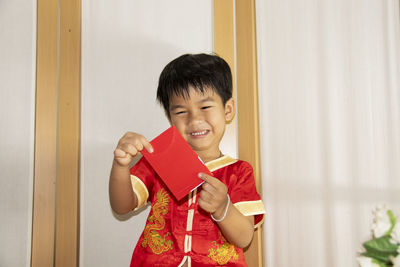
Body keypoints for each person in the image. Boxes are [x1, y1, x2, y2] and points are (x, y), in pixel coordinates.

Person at [109, 53, 265, 267]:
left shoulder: (239, 172)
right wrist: (121, 165)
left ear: (228, 110)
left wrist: (222, 208)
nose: (195, 119)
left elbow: (245, 237)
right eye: (181, 111)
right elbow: (122, 205)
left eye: (205, 107)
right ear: (169, 117)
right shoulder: (158, 160)